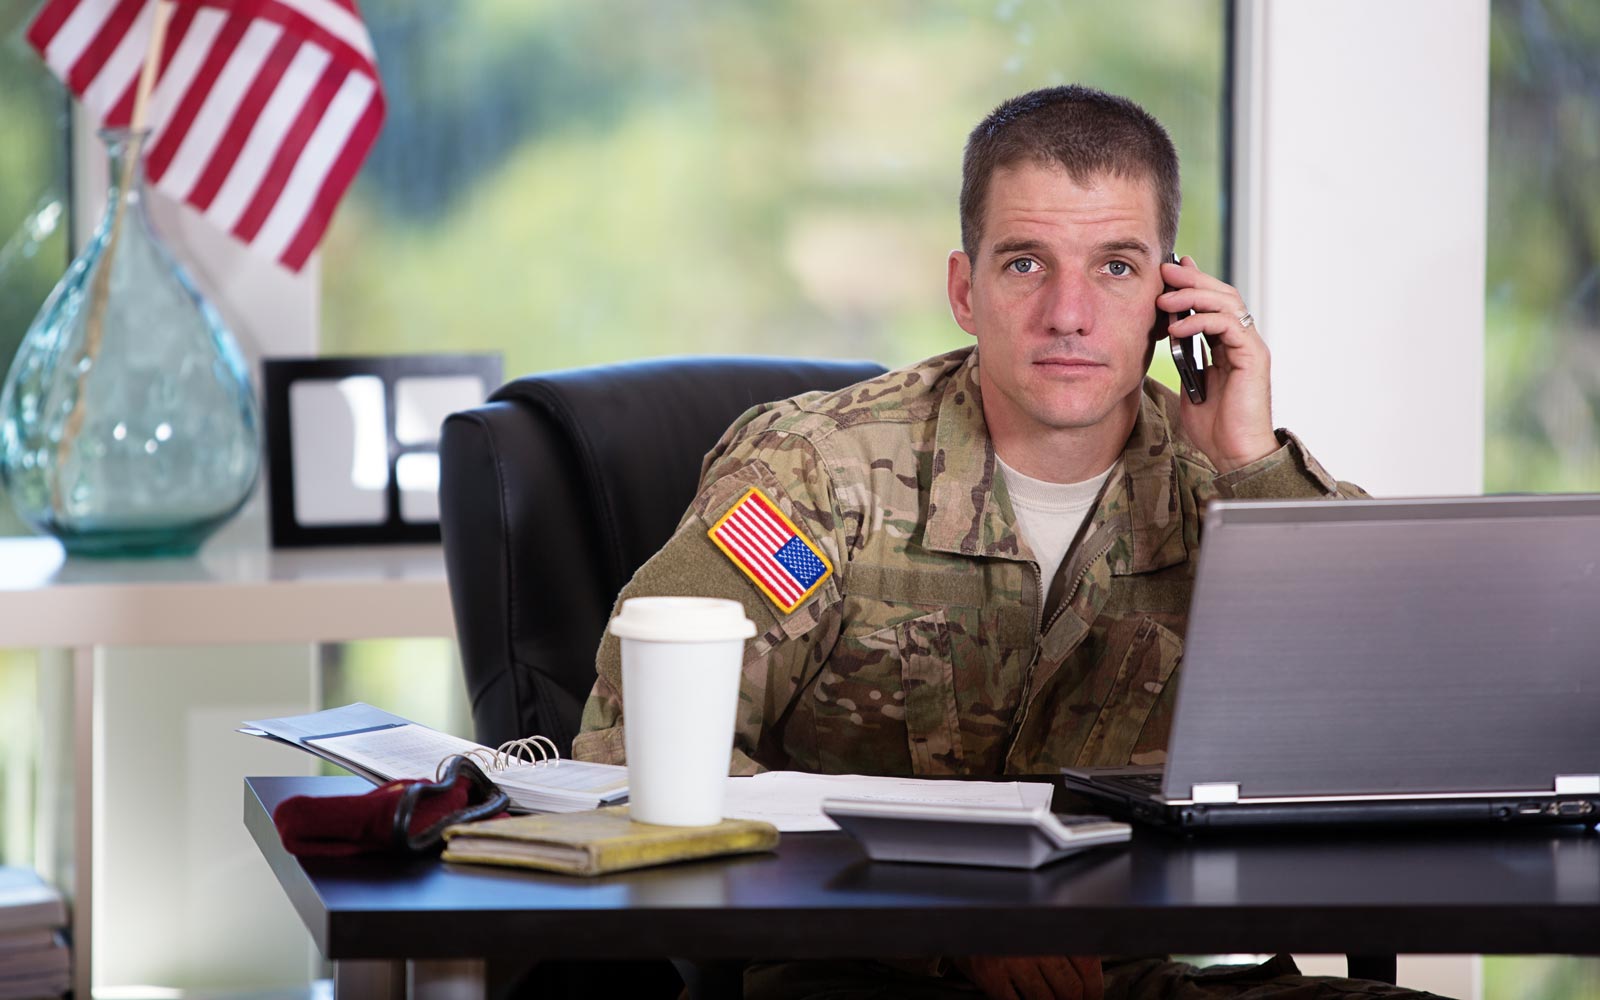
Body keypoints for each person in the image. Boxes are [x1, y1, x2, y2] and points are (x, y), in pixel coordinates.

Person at [573, 86, 1439, 1000]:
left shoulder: (1220, 488)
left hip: (1127, 975)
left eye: (1115, 267)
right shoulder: (819, 477)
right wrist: (953, 925)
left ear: (1171, 297)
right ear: (963, 288)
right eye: (1026, 263)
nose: (1069, 312)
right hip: (861, 972)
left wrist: (1253, 464)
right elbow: (637, 755)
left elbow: (1404, 744)